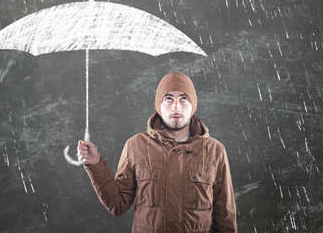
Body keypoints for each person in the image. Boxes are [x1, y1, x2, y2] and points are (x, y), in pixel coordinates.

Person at [77, 72, 237, 232]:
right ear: (158, 105)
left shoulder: (215, 150)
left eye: (184, 99)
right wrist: (95, 164)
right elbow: (117, 204)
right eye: (168, 99)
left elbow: (225, 216)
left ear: (193, 105)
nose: (176, 106)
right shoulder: (136, 146)